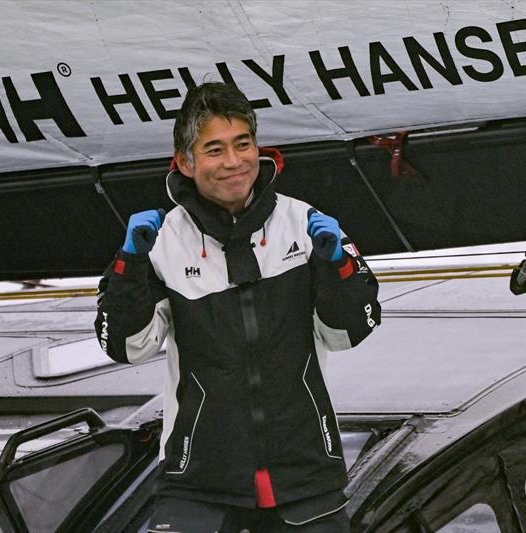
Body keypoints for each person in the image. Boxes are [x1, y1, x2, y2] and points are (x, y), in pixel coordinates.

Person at [95, 82, 380, 532]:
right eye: (214, 150)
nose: (233, 162)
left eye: (242, 144)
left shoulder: (304, 223)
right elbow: (128, 347)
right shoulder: (160, 241)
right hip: (197, 484)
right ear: (185, 162)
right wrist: (128, 265)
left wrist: (337, 267)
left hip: (305, 480)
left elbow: (347, 333)